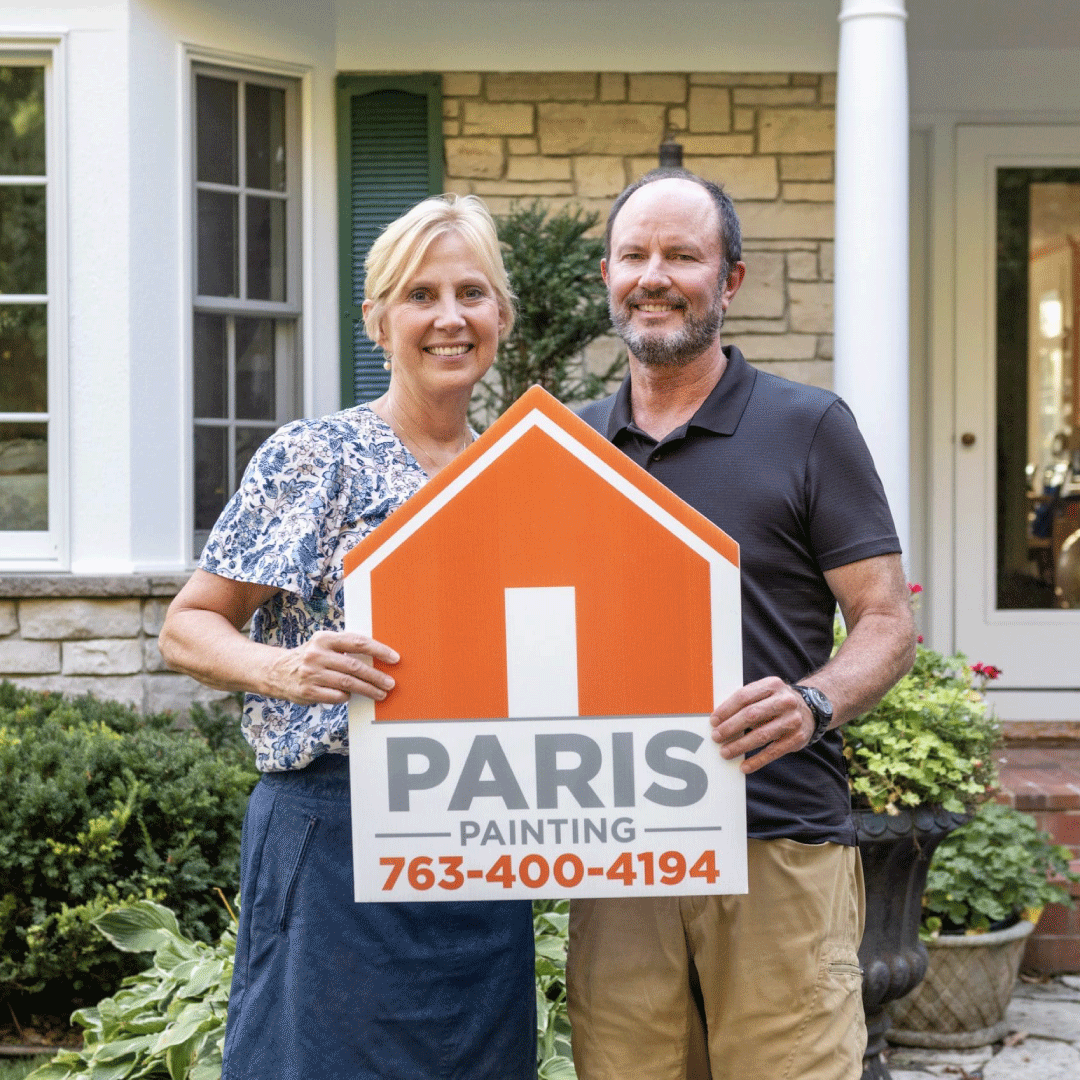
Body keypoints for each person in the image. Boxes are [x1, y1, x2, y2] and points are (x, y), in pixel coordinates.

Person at [159, 194, 536, 1080]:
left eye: (472, 294)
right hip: (334, 831)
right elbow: (188, 626)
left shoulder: (516, 473)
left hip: (479, 837)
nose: (449, 318)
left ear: (502, 317)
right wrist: (285, 668)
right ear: (376, 319)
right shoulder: (315, 456)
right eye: (419, 295)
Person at [569, 169, 916, 1080]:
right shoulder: (568, 450)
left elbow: (886, 619)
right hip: (618, 857)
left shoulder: (809, 427)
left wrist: (814, 700)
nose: (655, 275)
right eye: (635, 255)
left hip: (778, 844)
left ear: (730, 281)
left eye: (683, 255)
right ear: (607, 273)